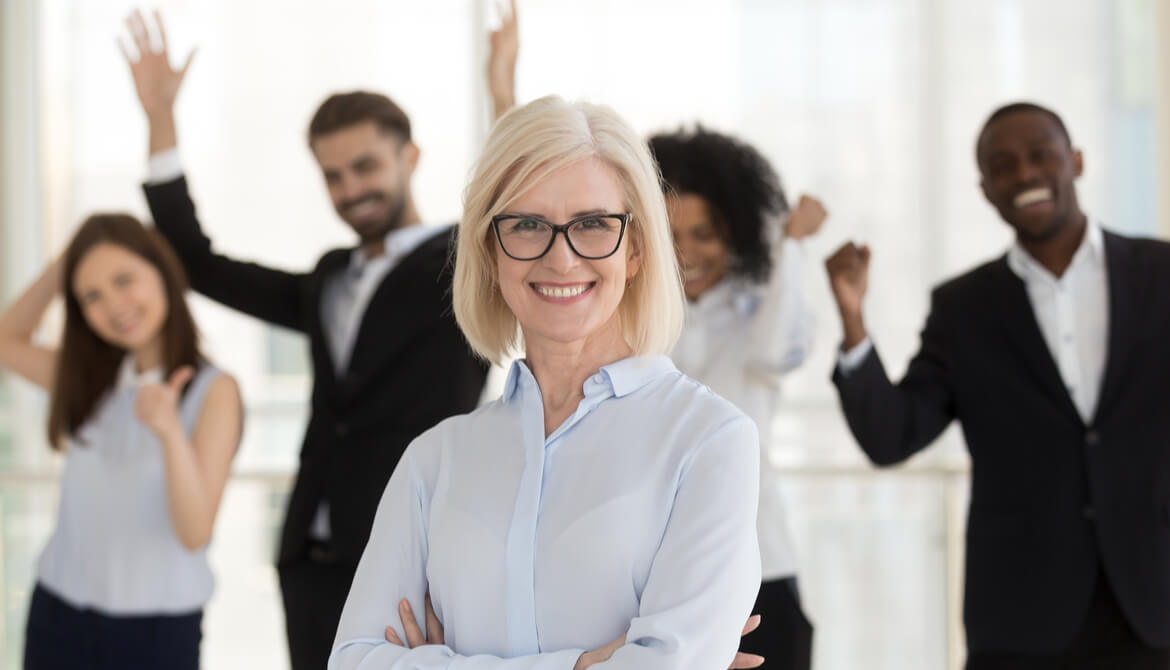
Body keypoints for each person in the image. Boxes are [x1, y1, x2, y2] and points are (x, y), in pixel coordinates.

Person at [328, 95, 761, 670]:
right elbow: (354, 661)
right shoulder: (435, 460)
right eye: (528, 225)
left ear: (634, 249)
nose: (561, 259)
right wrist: (584, 664)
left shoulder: (710, 440)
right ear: (490, 251)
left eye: (592, 224)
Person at [119, 10, 490, 669]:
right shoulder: (327, 280)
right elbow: (197, 264)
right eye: (332, 175)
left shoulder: (465, 268)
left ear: (410, 156)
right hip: (310, 561)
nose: (350, 189)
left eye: (365, 166)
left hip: (414, 560)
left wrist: (505, 97)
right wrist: (159, 121)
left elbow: (513, 218)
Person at [825, 101, 1170, 668]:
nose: (1025, 174)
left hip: (1151, 603)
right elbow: (893, 436)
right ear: (986, 189)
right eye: (1003, 166)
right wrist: (853, 320)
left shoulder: (1159, 274)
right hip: (1020, 616)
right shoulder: (964, 309)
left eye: (1041, 156)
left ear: (1076, 161)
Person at [0, 214, 242, 670]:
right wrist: (64, 263)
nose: (114, 305)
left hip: (155, 633)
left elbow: (195, 533)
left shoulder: (214, 391)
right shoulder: (90, 380)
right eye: (92, 295)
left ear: (162, 273)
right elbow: (6, 340)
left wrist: (169, 431)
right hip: (58, 615)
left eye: (124, 279)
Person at [650, 127, 824, 670]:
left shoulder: (760, 310)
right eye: (670, 234)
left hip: (760, 565)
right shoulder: (634, 323)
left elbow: (778, 351)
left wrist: (789, 243)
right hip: (656, 576)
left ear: (737, 233)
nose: (687, 253)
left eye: (706, 233)